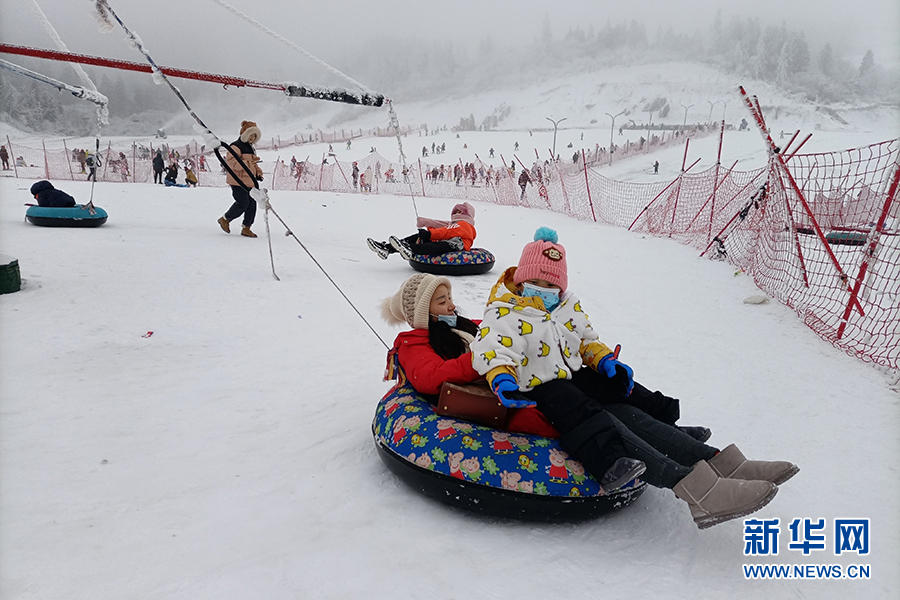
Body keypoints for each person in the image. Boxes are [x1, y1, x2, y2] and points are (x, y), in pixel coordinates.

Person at [468, 227, 798, 529]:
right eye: (537, 284)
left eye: (552, 285)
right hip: (537, 388)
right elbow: (491, 348)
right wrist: (502, 379)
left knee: (624, 404)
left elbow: (586, 340)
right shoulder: (506, 311)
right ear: (522, 280)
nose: (545, 291)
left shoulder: (567, 307)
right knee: (602, 418)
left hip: (571, 378)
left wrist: (605, 361)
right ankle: (695, 490)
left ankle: (719, 461)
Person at [380, 273, 558, 437]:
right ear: (423, 313)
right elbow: (430, 376)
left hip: (513, 377)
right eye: (442, 302)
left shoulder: (461, 325)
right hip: (488, 396)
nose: (452, 306)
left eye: (450, 298)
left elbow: (496, 327)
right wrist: (484, 357)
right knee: (538, 418)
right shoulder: (414, 343)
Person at [367, 202, 476, 260]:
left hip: (457, 245)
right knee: (418, 237)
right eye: (455, 211)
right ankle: (387, 248)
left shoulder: (464, 224)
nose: (456, 214)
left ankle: (410, 249)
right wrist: (426, 231)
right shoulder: (452, 224)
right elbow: (440, 227)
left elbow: (446, 232)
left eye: (459, 212)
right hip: (447, 241)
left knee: (436, 246)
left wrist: (429, 234)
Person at [217, 120, 264, 238]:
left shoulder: (250, 148)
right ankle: (225, 219)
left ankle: (246, 227)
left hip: (250, 181)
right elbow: (233, 163)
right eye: (250, 135)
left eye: (254, 136)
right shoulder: (235, 147)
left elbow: (253, 163)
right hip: (237, 181)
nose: (252, 138)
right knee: (243, 203)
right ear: (245, 135)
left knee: (252, 204)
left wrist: (258, 173)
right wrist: (249, 164)